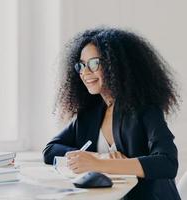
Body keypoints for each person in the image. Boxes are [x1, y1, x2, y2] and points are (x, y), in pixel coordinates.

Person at [43, 28, 181, 200]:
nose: (85, 73)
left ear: (115, 65)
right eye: (81, 65)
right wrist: (98, 157)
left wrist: (103, 164)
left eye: (94, 63)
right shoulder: (90, 114)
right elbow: (50, 150)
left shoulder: (145, 109)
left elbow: (167, 163)